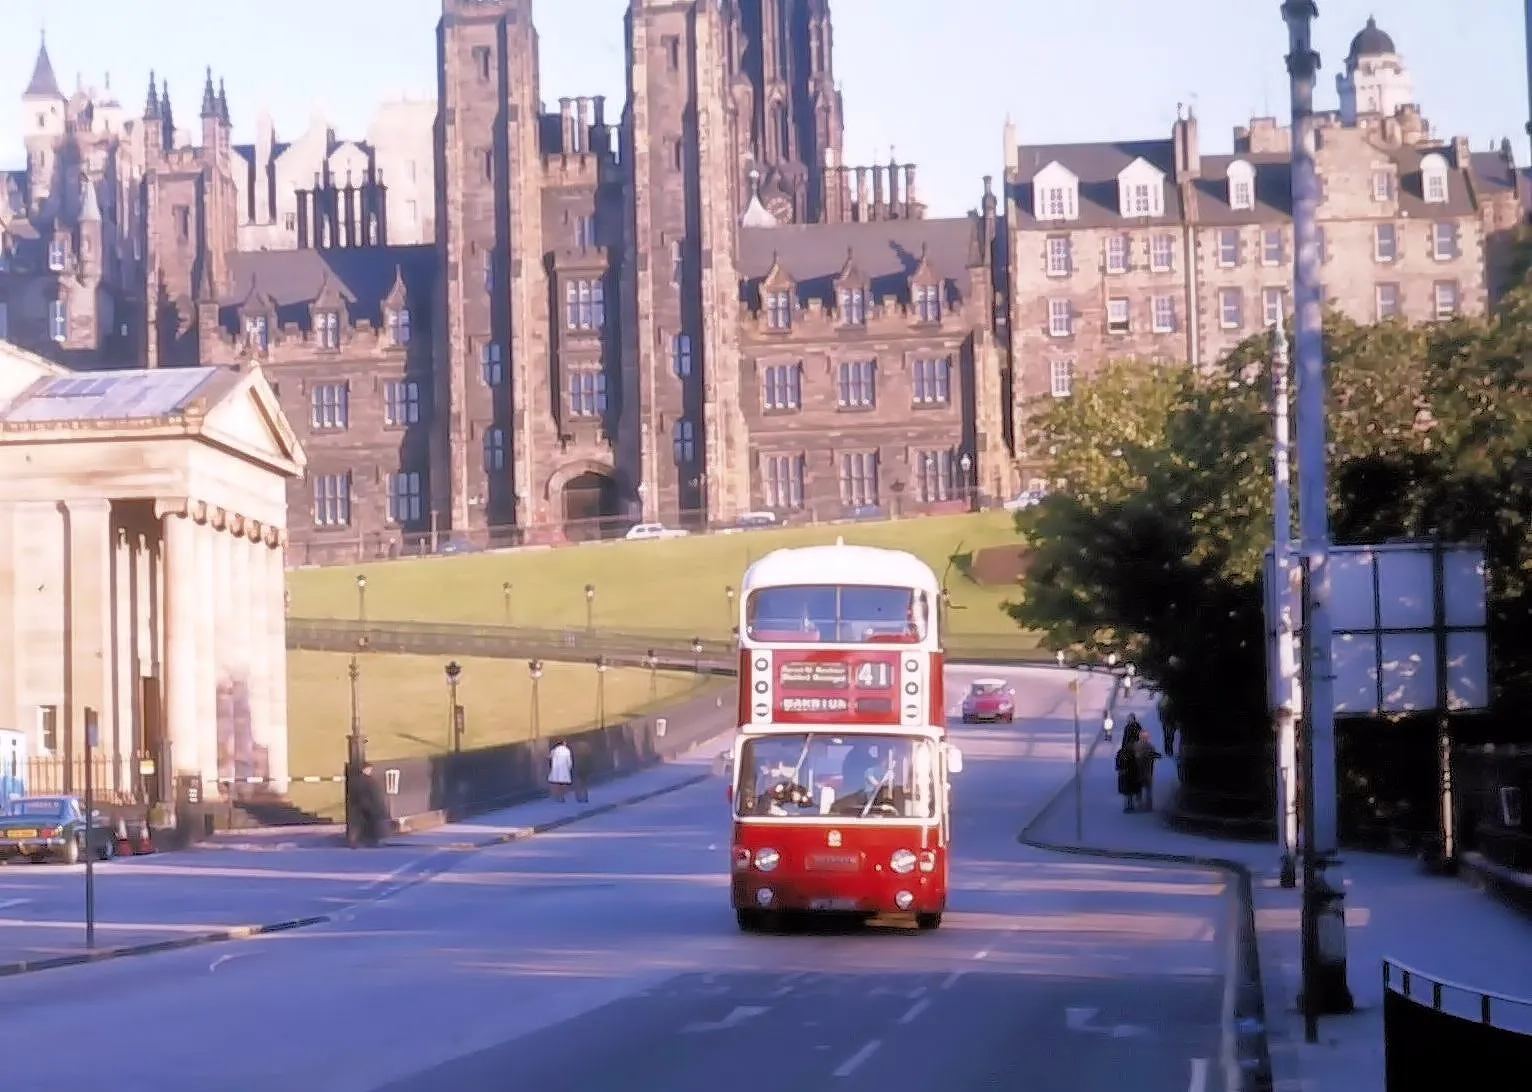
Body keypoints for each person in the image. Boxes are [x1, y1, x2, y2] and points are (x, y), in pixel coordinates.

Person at [1133, 726, 1164, 811]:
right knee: (1148, 789)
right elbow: (1156, 756)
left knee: (1139, 788)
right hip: (1147, 772)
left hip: (1139, 772)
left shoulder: (1136, 746)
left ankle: (1140, 803)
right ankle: (1148, 806)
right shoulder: (1150, 747)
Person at [1115, 726, 1143, 813]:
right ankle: (1130, 805)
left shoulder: (1132, 751)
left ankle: (1130, 805)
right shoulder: (1131, 751)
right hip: (1129, 774)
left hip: (1131, 774)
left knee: (1129, 791)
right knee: (1129, 791)